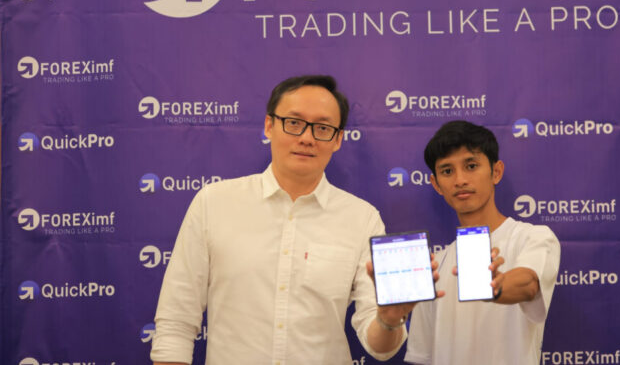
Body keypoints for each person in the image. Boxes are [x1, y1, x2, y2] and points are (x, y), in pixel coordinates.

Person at [150, 75, 437, 365]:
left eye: (322, 128)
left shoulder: (362, 218)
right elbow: (176, 321)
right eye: (294, 122)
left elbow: (381, 348)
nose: (306, 138)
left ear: (338, 139)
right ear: (269, 125)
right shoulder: (214, 203)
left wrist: (389, 320)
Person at [405, 120, 561, 365]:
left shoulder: (533, 237)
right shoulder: (434, 265)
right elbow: (422, 357)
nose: (460, 180)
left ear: (496, 172)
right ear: (436, 184)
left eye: (471, 166)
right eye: (447, 171)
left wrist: (495, 287)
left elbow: (529, 284)